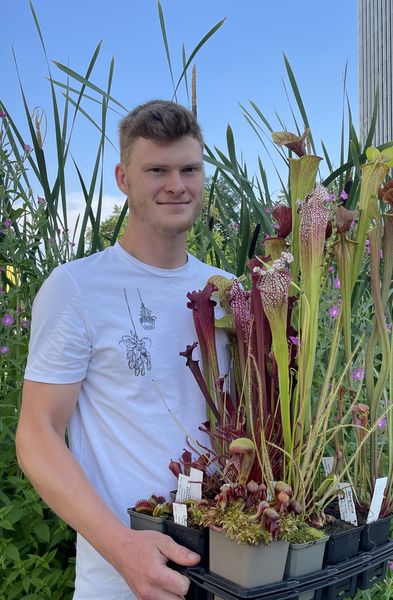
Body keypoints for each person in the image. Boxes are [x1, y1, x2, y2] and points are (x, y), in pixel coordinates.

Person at [16, 100, 233, 600]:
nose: (176, 185)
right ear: (123, 177)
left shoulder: (226, 291)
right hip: (121, 582)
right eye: (157, 169)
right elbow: (37, 434)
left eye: (189, 169)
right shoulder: (77, 288)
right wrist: (122, 547)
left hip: (223, 573)